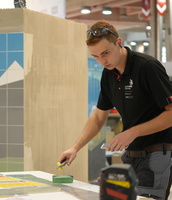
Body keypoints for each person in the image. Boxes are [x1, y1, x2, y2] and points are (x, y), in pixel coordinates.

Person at [58, 20, 172, 200]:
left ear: (119, 43)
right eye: (95, 56)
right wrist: (75, 148)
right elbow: (98, 117)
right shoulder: (109, 73)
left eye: (105, 53)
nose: (102, 61)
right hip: (131, 155)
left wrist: (132, 132)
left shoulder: (147, 67)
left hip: (158, 152)